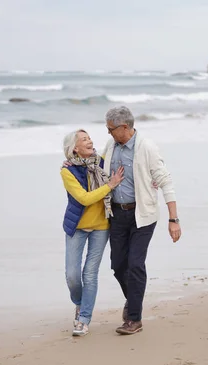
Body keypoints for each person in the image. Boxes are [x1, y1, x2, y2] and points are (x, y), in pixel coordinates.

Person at [102, 106, 181, 335]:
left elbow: (165, 181)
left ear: (124, 127)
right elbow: (97, 166)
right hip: (117, 215)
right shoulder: (111, 146)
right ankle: (133, 301)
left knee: (135, 264)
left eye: (111, 129)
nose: (108, 133)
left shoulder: (146, 147)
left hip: (142, 215)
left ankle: (134, 319)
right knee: (118, 266)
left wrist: (173, 219)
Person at [60, 129, 124, 337]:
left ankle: (83, 319)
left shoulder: (103, 162)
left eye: (89, 138)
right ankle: (79, 303)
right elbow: (85, 199)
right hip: (77, 227)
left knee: (90, 274)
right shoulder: (67, 171)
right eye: (84, 139)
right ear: (75, 148)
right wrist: (110, 186)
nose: (89, 141)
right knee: (72, 276)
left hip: (101, 227)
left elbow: (127, 165)